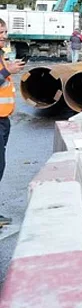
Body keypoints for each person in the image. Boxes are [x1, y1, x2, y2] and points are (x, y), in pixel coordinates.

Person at [0, 18, 25, 228]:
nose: (4, 36)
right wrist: (7, 71)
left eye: (5, 31)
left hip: (3, 120)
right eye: (0, 32)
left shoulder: (1, 57)